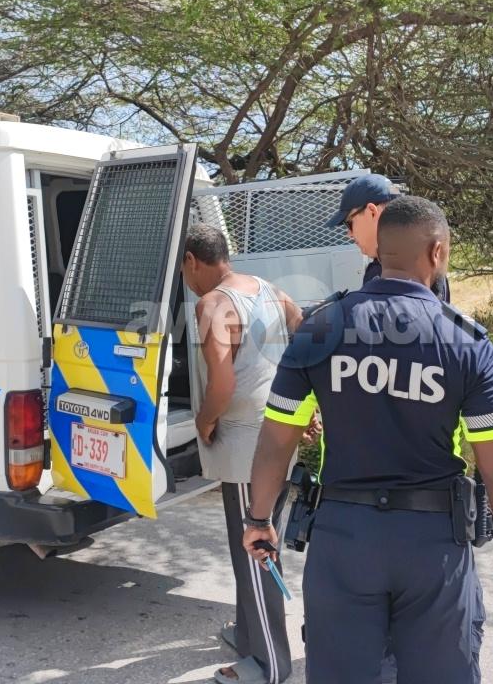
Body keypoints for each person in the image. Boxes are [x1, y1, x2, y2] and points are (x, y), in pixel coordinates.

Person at [242, 196, 493, 683]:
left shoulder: (321, 327)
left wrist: (260, 519)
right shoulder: (468, 344)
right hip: (434, 546)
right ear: (437, 251)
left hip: (342, 540)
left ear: (380, 250)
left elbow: (276, 441)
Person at [183, 223, 302, 684]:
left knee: (256, 546)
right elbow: (305, 339)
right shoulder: (268, 290)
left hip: (245, 444)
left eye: (184, 270)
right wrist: (303, 404)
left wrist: (203, 421)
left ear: (192, 261)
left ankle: (269, 663)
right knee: (251, 541)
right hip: (278, 435)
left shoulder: (213, 304)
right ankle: (249, 634)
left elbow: (223, 383)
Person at [328, 173, 451, 302]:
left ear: (372, 212)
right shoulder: (426, 260)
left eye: (349, 223)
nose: (349, 234)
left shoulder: (389, 270)